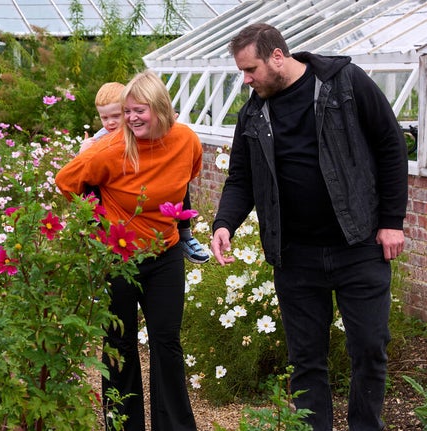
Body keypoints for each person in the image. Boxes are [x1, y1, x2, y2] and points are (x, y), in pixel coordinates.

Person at [210, 23, 408, 431]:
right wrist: (225, 222)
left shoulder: (345, 83)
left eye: (250, 70)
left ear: (278, 57)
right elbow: (241, 176)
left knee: (370, 348)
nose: (246, 80)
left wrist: (391, 222)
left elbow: (391, 144)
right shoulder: (254, 110)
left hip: (359, 245)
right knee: (305, 360)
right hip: (295, 255)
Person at [56, 70, 200, 431]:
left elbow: (187, 178)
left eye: (141, 110)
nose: (133, 118)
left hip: (165, 254)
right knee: (119, 343)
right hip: (117, 260)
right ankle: (122, 425)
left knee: (166, 341)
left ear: (162, 108)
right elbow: (66, 182)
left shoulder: (186, 140)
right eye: (128, 111)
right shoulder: (111, 149)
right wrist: (99, 219)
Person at [82, 82, 210, 264]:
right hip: (118, 201)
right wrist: (84, 153)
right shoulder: (103, 140)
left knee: (180, 182)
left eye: (116, 115)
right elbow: (79, 171)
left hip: (154, 194)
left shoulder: (143, 130)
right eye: (104, 118)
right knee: (92, 194)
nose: (110, 122)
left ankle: (185, 234)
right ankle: (98, 246)